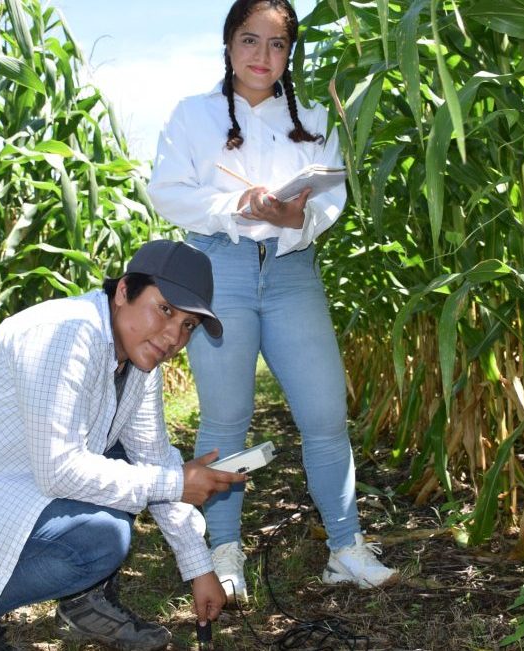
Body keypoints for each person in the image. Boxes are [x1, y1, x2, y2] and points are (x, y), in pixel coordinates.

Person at [0, 240, 248, 651]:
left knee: (130, 462)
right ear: (123, 292)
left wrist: (199, 568)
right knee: (101, 537)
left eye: (189, 325)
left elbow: (154, 456)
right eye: (166, 310)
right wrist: (175, 484)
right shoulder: (68, 334)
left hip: (17, 482)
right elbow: (61, 470)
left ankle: (85, 602)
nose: (175, 335)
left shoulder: (140, 360)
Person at [147, 0, 397, 603]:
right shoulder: (192, 115)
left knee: (325, 415)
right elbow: (167, 194)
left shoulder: (311, 118)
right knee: (227, 418)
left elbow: (330, 202)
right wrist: (235, 206)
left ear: (291, 52)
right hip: (220, 271)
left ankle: (345, 547)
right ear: (228, 45)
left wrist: (297, 217)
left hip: (292, 273)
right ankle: (224, 548)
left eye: (277, 45)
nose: (263, 57)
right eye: (249, 41)